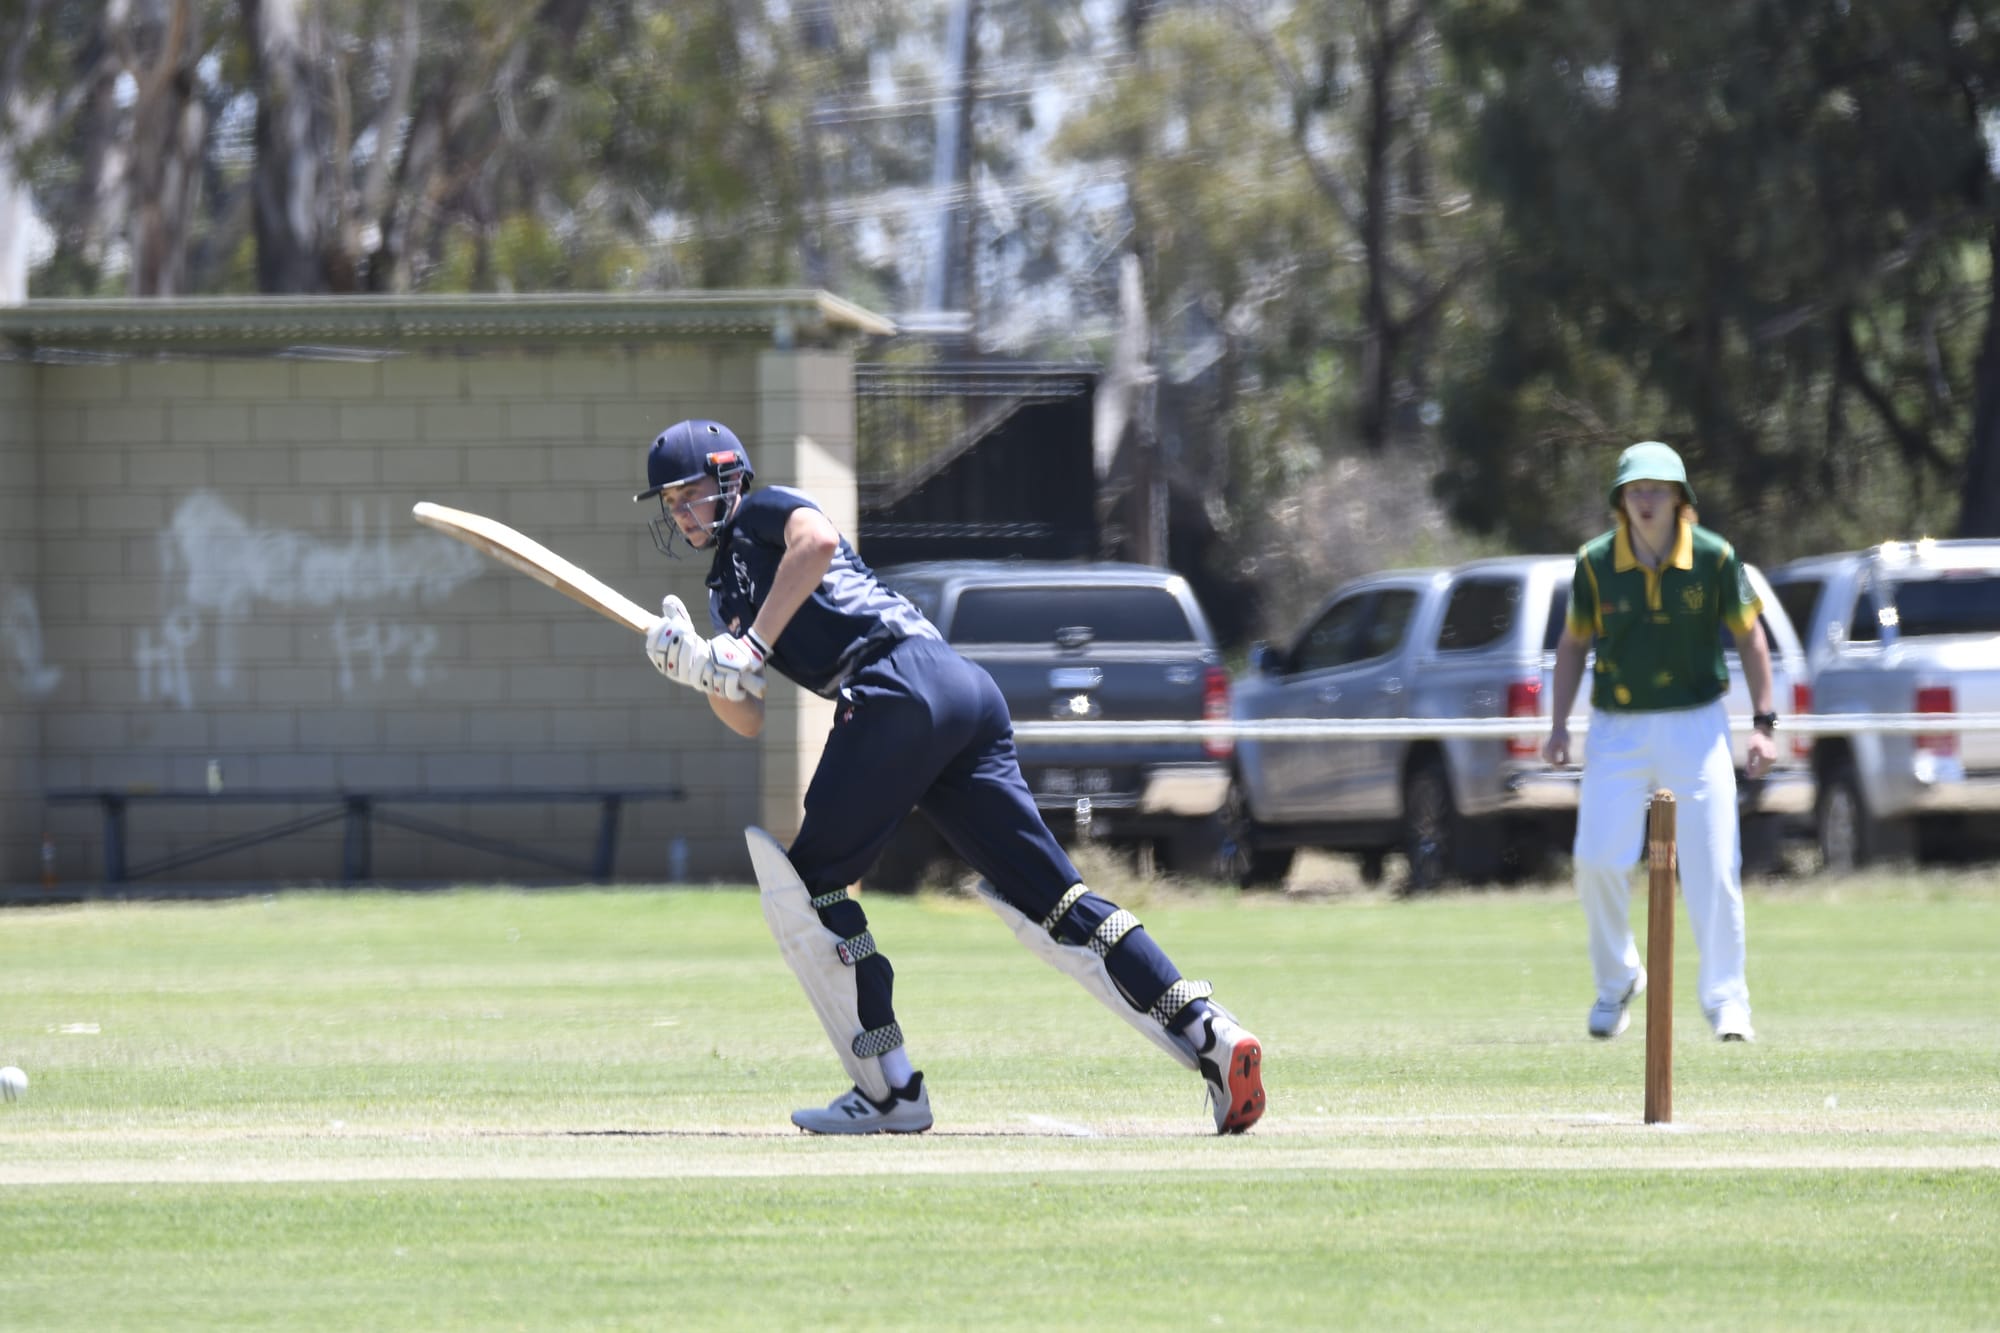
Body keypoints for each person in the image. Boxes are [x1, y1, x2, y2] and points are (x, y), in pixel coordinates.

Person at [632, 418, 1266, 1135]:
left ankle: (890, 1091)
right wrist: (697, 667)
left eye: (693, 496)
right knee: (1053, 901)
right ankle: (1208, 1030)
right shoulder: (727, 590)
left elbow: (815, 544)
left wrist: (745, 647)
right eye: (672, 503)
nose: (684, 514)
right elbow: (748, 715)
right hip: (959, 693)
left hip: (894, 680)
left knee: (806, 891)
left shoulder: (767, 511)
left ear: (730, 480)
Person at [1542, 441, 1774, 1043]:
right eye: (1635, 490)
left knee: (1715, 865)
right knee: (1595, 860)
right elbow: (1572, 644)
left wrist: (1764, 724)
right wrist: (1559, 724)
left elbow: (1752, 640)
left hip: (1696, 725)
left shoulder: (1716, 557)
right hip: (1617, 728)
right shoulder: (1593, 563)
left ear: (1680, 499)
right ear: (1622, 500)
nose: (1646, 501)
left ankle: (1728, 1001)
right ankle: (1616, 979)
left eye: (1658, 490)